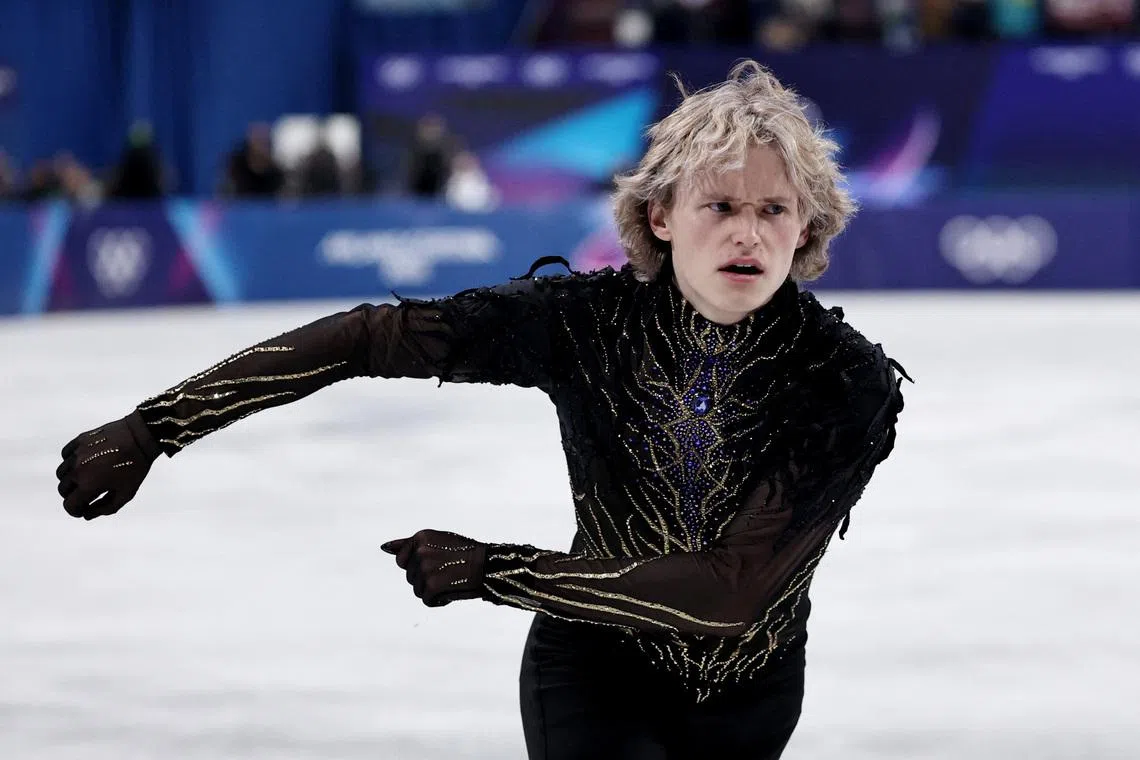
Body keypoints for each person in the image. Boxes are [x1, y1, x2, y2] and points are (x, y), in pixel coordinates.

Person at [55, 60, 909, 760]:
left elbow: (732, 595)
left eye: (773, 210)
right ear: (661, 214)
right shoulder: (585, 323)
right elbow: (368, 337)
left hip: (748, 698)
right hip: (592, 674)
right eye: (720, 205)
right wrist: (153, 428)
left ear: (805, 228)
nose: (748, 234)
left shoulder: (843, 379)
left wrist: (500, 570)